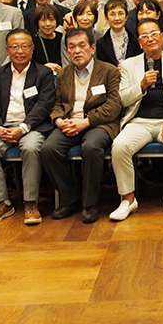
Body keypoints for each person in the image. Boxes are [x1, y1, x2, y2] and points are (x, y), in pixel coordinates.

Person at [110, 18, 163, 221]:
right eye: (145, 36)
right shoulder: (129, 65)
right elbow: (123, 99)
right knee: (120, 146)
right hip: (139, 121)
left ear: (162, 37)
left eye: (154, 34)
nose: (150, 39)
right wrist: (141, 85)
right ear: (140, 43)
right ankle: (128, 200)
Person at [40, 27, 122, 224]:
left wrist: (86, 122)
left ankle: (89, 203)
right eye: (71, 47)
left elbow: (113, 106)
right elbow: (57, 104)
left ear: (92, 48)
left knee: (91, 147)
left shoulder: (108, 71)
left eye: (81, 46)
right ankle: (70, 198)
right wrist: (59, 120)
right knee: (48, 149)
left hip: (99, 123)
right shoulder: (63, 74)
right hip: (69, 123)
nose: (76, 51)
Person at [0, 30, 56, 226]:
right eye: (14, 47)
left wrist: (23, 127)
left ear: (32, 49)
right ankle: (1, 203)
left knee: (30, 148)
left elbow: (44, 104)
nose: (19, 51)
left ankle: (31, 203)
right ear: (7, 50)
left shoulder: (43, 73)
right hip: (4, 127)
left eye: (24, 46)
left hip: (32, 126)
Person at [96, 0, 138, 66]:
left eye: (120, 14)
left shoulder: (136, 41)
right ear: (106, 17)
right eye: (112, 14)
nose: (117, 18)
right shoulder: (101, 43)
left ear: (126, 16)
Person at [32, 3, 64, 74]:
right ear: (37, 22)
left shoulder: (62, 38)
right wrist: (44, 67)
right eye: (43, 20)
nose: (48, 24)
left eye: (52, 20)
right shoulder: (32, 41)